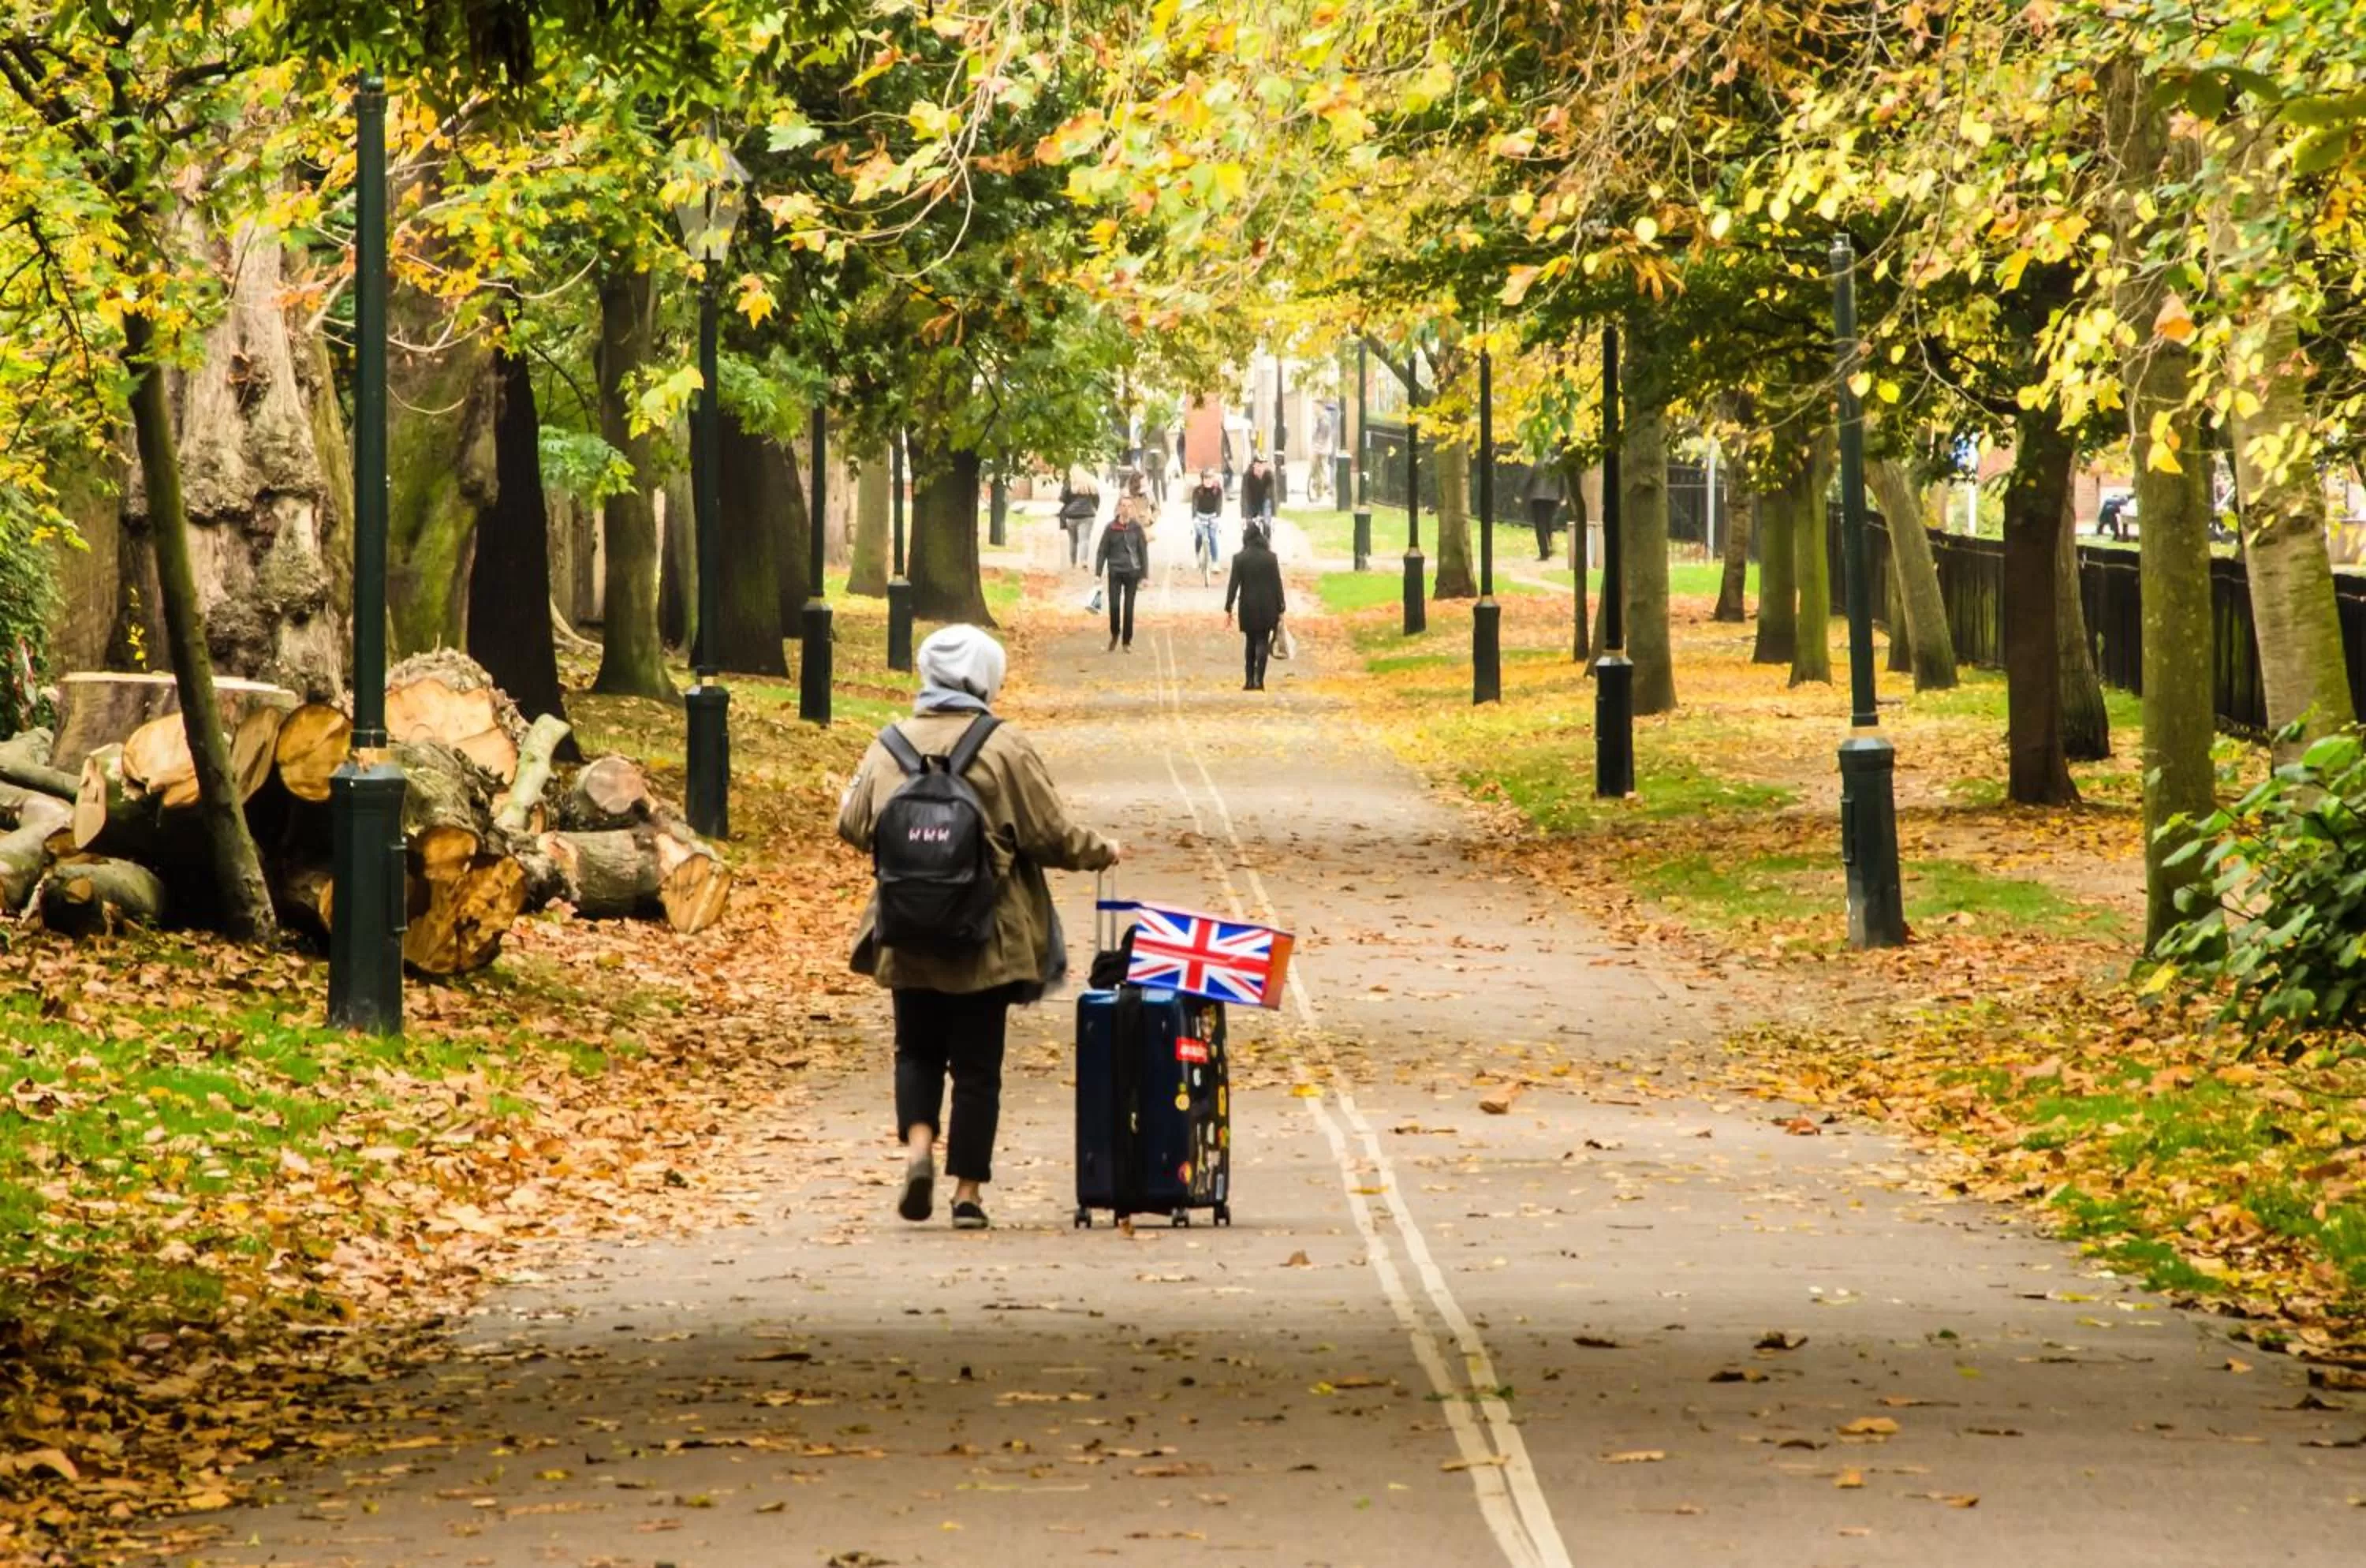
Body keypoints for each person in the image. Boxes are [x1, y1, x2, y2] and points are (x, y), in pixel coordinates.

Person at [839, 626, 1121, 1230]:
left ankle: (918, 1149)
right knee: (976, 1066)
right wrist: (1102, 852)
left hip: (906, 927)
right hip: (984, 935)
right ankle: (967, 1192)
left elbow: (854, 823)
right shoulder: (1002, 746)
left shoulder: (889, 744)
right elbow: (1051, 834)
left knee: (914, 1048)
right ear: (985, 677)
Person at [1226, 519, 1287, 691]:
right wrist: (1281, 606)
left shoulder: (1239, 559)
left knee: (1250, 642)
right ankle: (1260, 679)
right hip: (1269, 606)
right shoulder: (1271, 558)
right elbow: (1277, 583)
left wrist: (1228, 606)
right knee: (1262, 641)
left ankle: (1248, 680)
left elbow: (1234, 584)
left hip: (1248, 606)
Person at [1095, 473, 1153, 651]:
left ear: (1133, 509)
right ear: (1119, 508)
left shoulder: (1136, 528)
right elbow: (1102, 551)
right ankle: (1115, 633)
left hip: (1132, 572)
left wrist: (1144, 575)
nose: (1127, 509)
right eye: (1124, 506)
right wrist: (1098, 573)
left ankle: (1127, 641)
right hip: (1115, 571)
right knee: (1114, 606)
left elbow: (1143, 552)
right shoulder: (1111, 528)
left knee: (1129, 608)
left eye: (1130, 506)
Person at [1058, 465, 1100, 569]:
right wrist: (1094, 509)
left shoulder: (1069, 485)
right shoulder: (1090, 485)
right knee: (1084, 539)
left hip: (1071, 516)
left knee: (1073, 541)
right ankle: (1084, 561)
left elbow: (1063, 499)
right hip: (1087, 515)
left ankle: (1073, 563)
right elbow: (1097, 500)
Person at [1524, 461, 1565, 561]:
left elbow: (1529, 479)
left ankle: (1544, 551)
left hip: (1538, 497)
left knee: (1540, 524)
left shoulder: (1536, 462)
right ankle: (1549, 545)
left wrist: (1523, 492)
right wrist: (1562, 495)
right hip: (1553, 497)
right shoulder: (1556, 463)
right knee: (1549, 523)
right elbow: (1562, 480)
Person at [1189, 468, 1225, 577]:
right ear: (1202, 479)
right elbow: (1194, 505)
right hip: (1200, 516)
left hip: (1213, 516)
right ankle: (1196, 556)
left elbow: (1219, 505)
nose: (1208, 481)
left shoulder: (1218, 491)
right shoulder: (1197, 491)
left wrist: (1218, 517)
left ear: (1214, 479)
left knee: (1212, 536)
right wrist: (1194, 518)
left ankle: (1215, 562)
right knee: (1199, 535)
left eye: (1210, 478)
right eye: (1206, 478)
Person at [1241, 454, 1275, 525]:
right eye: (1258, 465)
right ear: (1254, 465)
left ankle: (1267, 533)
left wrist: (1274, 515)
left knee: (1267, 522)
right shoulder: (1247, 476)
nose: (1261, 468)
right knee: (1249, 525)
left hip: (1265, 500)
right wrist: (1244, 516)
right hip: (1252, 501)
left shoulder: (1269, 475)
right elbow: (1244, 495)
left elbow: (1272, 494)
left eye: (1263, 465)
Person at [1142, 424, 1170, 506]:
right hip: (1160, 453)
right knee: (1163, 478)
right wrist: (1167, 456)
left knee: (1147, 479)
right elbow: (1166, 442)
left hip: (1148, 453)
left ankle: (1145, 497)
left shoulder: (1147, 425)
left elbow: (1142, 439)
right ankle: (1164, 496)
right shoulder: (1162, 426)